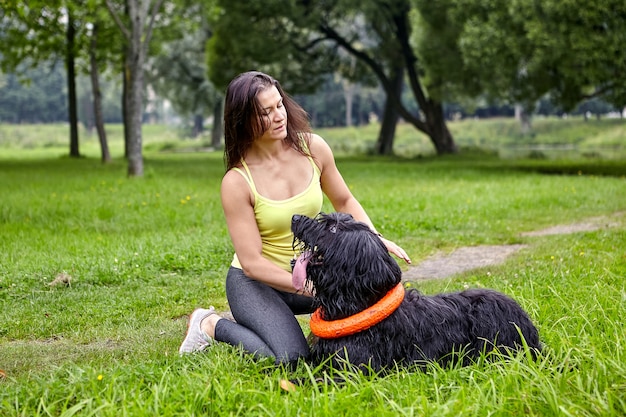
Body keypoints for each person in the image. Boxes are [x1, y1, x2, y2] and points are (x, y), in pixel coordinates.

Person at [179, 71, 411, 366]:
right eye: (265, 112)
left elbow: (344, 200)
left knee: (374, 293)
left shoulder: (313, 148)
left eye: (279, 105)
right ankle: (210, 324)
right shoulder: (237, 181)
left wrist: (374, 240)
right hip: (256, 284)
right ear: (242, 120)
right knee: (293, 359)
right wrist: (309, 286)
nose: (278, 116)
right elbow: (252, 263)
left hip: (310, 275)